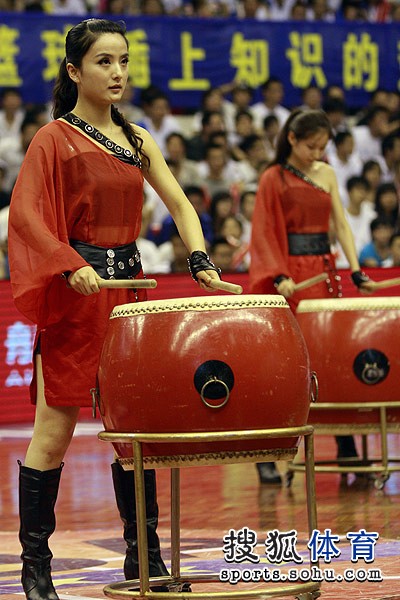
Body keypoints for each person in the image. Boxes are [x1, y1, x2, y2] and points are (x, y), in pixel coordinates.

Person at [7, 18, 221, 600]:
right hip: (78, 295)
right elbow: (25, 214)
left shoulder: (138, 137)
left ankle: (142, 557)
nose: (119, 72)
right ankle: (35, 569)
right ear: (74, 71)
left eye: (123, 60)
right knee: (54, 431)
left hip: (130, 299)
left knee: (136, 432)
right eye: (104, 61)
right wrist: (63, 261)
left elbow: (180, 203)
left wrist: (199, 258)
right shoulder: (54, 137)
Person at [249, 109, 375, 484]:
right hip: (292, 277)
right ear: (291, 139)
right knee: (288, 369)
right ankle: (268, 454)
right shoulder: (273, 178)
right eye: (310, 146)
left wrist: (355, 268)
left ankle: (347, 450)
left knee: (332, 360)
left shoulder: (329, 174)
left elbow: (341, 224)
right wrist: (279, 275)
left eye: (322, 147)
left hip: (324, 274)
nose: (317, 154)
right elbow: (265, 231)